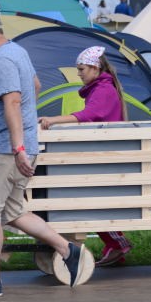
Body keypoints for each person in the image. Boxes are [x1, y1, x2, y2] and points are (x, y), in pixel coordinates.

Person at [0, 6, 92, 298]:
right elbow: (35, 86)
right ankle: (68, 249)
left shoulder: (1, 61)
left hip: (5, 150)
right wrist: (25, 134)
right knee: (12, 211)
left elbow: (13, 101)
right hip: (19, 144)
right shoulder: (17, 52)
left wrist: (16, 147)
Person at [39, 45, 134, 267]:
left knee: (91, 201)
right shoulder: (102, 88)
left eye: (81, 69)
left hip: (105, 154)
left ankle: (117, 243)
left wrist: (53, 119)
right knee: (91, 200)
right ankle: (114, 244)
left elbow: (90, 115)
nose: (79, 73)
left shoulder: (103, 90)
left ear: (94, 67)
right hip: (103, 152)